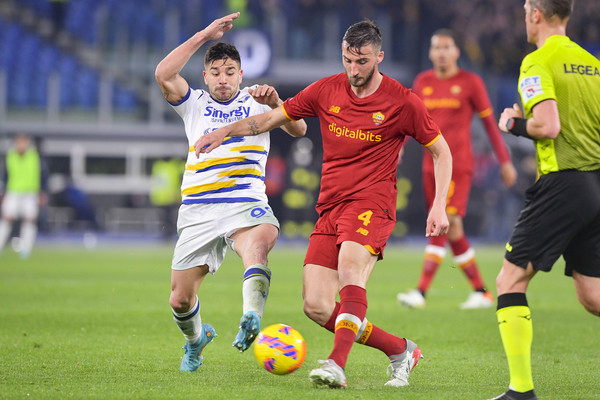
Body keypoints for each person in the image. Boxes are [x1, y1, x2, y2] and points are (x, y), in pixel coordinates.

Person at [195, 20, 453, 388]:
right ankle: (400, 350)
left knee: (350, 270)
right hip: (331, 207)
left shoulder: (402, 101)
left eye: (362, 61)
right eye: (348, 60)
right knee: (316, 305)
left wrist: (439, 204)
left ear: (379, 57)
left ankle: (336, 363)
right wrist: (223, 131)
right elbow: (269, 119)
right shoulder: (326, 89)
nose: (354, 69)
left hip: (372, 203)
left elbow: (442, 152)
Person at [154, 12, 307, 372]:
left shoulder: (258, 102)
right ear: (205, 76)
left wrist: (276, 103)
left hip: (245, 202)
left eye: (230, 72)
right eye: (216, 73)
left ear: (241, 74)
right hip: (198, 210)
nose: (223, 79)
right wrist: (203, 36)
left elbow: (299, 129)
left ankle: (251, 316)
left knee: (257, 246)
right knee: (179, 299)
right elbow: (163, 74)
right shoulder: (193, 104)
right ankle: (196, 340)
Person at [489, 1, 600, 399]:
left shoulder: (537, 61)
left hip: (563, 183)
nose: (524, 18)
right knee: (593, 295)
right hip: (595, 183)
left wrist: (514, 124)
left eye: (525, 10)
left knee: (509, 279)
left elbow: (548, 126)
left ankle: (520, 392)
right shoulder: (592, 64)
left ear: (536, 13)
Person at [397, 29, 518, 310]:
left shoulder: (470, 82)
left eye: (447, 47)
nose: (441, 52)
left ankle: (421, 292)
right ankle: (481, 292)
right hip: (429, 165)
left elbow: (490, 124)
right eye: (436, 47)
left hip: (457, 165)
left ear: (456, 52)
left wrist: (505, 161)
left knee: (444, 221)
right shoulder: (423, 81)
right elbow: (410, 119)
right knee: (450, 228)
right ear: (430, 53)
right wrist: (399, 146)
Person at [0, 133, 48, 259]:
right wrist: (3, 192)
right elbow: (5, 175)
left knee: (29, 220)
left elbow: (42, 175)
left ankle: (26, 249)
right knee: (6, 218)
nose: (21, 145)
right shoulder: (10, 156)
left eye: (23, 142)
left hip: (30, 192)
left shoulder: (35, 156)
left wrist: (43, 192)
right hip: (13, 191)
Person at [150, 157, 184, 240]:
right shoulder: (173, 165)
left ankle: (170, 234)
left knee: (171, 218)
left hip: (170, 197)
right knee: (164, 218)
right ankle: (166, 234)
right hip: (163, 197)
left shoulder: (160, 166)